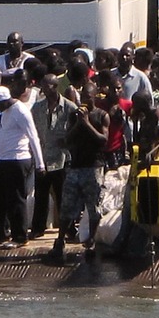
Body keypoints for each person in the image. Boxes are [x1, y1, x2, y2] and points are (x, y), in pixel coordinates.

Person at [50, 102, 109, 264]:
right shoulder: (74, 116)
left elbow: (103, 140)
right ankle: (60, 239)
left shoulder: (101, 115)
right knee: (67, 206)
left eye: (88, 99)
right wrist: (78, 123)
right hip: (75, 167)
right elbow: (67, 140)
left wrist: (87, 123)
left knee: (93, 207)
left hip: (93, 167)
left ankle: (91, 240)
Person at [0, 84, 44, 247]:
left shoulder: (20, 111)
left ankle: (20, 237)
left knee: (16, 200)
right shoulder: (6, 111)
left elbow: (33, 137)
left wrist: (40, 164)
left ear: (5, 101)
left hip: (18, 160)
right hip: (5, 159)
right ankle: (1, 232)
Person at [30, 73, 74, 238]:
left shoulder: (69, 107)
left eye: (47, 86)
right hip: (43, 157)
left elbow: (77, 129)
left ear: (55, 87)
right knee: (41, 195)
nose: (44, 89)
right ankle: (38, 228)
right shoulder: (37, 107)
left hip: (62, 158)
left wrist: (68, 141)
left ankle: (68, 229)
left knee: (63, 196)